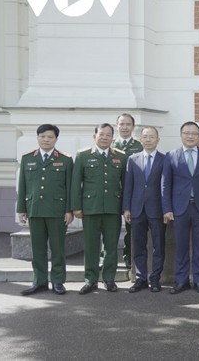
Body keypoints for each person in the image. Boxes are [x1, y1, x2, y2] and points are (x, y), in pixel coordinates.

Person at [71, 123, 127, 294]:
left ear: (113, 137)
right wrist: (76, 207)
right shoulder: (83, 155)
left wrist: (125, 208)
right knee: (91, 246)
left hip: (112, 208)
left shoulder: (121, 156)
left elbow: (125, 185)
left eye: (108, 135)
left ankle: (109, 279)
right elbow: (75, 184)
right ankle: (90, 279)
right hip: (90, 208)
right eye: (101, 134)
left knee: (111, 246)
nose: (105, 137)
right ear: (94, 136)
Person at [17, 124, 74, 296]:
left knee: (57, 249)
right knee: (38, 249)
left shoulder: (65, 159)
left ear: (56, 139)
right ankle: (39, 281)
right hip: (35, 210)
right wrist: (21, 209)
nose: (46, 139)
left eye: (50, 137)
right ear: (37, 138)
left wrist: (69, 210)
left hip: (57, 212)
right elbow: (23, 186)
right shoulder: (28, 158)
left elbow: (70, 187)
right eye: (43, 136)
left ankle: (58, 281)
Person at [161, 121, 199, 294]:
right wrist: (167, 208)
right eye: (187, 133)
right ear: (181, 135)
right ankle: (181, 280)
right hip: (179, 209)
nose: (190, 136)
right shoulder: (171, 155)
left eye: (194, 133)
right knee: (181, 246)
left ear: (198, 136)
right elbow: (165, 184)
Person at [122, 126, 166, 293]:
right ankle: (141, 278)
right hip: (137, 209)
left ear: (157, 140)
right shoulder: (132, 159)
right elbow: (128, 186)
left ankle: (155, 278)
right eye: (145, 137)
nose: (148, 139)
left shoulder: (164, 159)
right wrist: (126, 208)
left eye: (152, 137)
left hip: (157, 209)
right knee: (138, 245)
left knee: (158, 245)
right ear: (140, 140)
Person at [112, 113, 143, 269]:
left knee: (132, 228)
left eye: (128, 124)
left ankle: (129, 256)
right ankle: (106, 258)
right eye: (121, 124)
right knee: (110, 229)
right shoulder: (110, 145)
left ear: (133, 127)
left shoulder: (139, 146)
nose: (124, 127)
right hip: (112, 193)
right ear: (116, 126)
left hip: (132, 194)